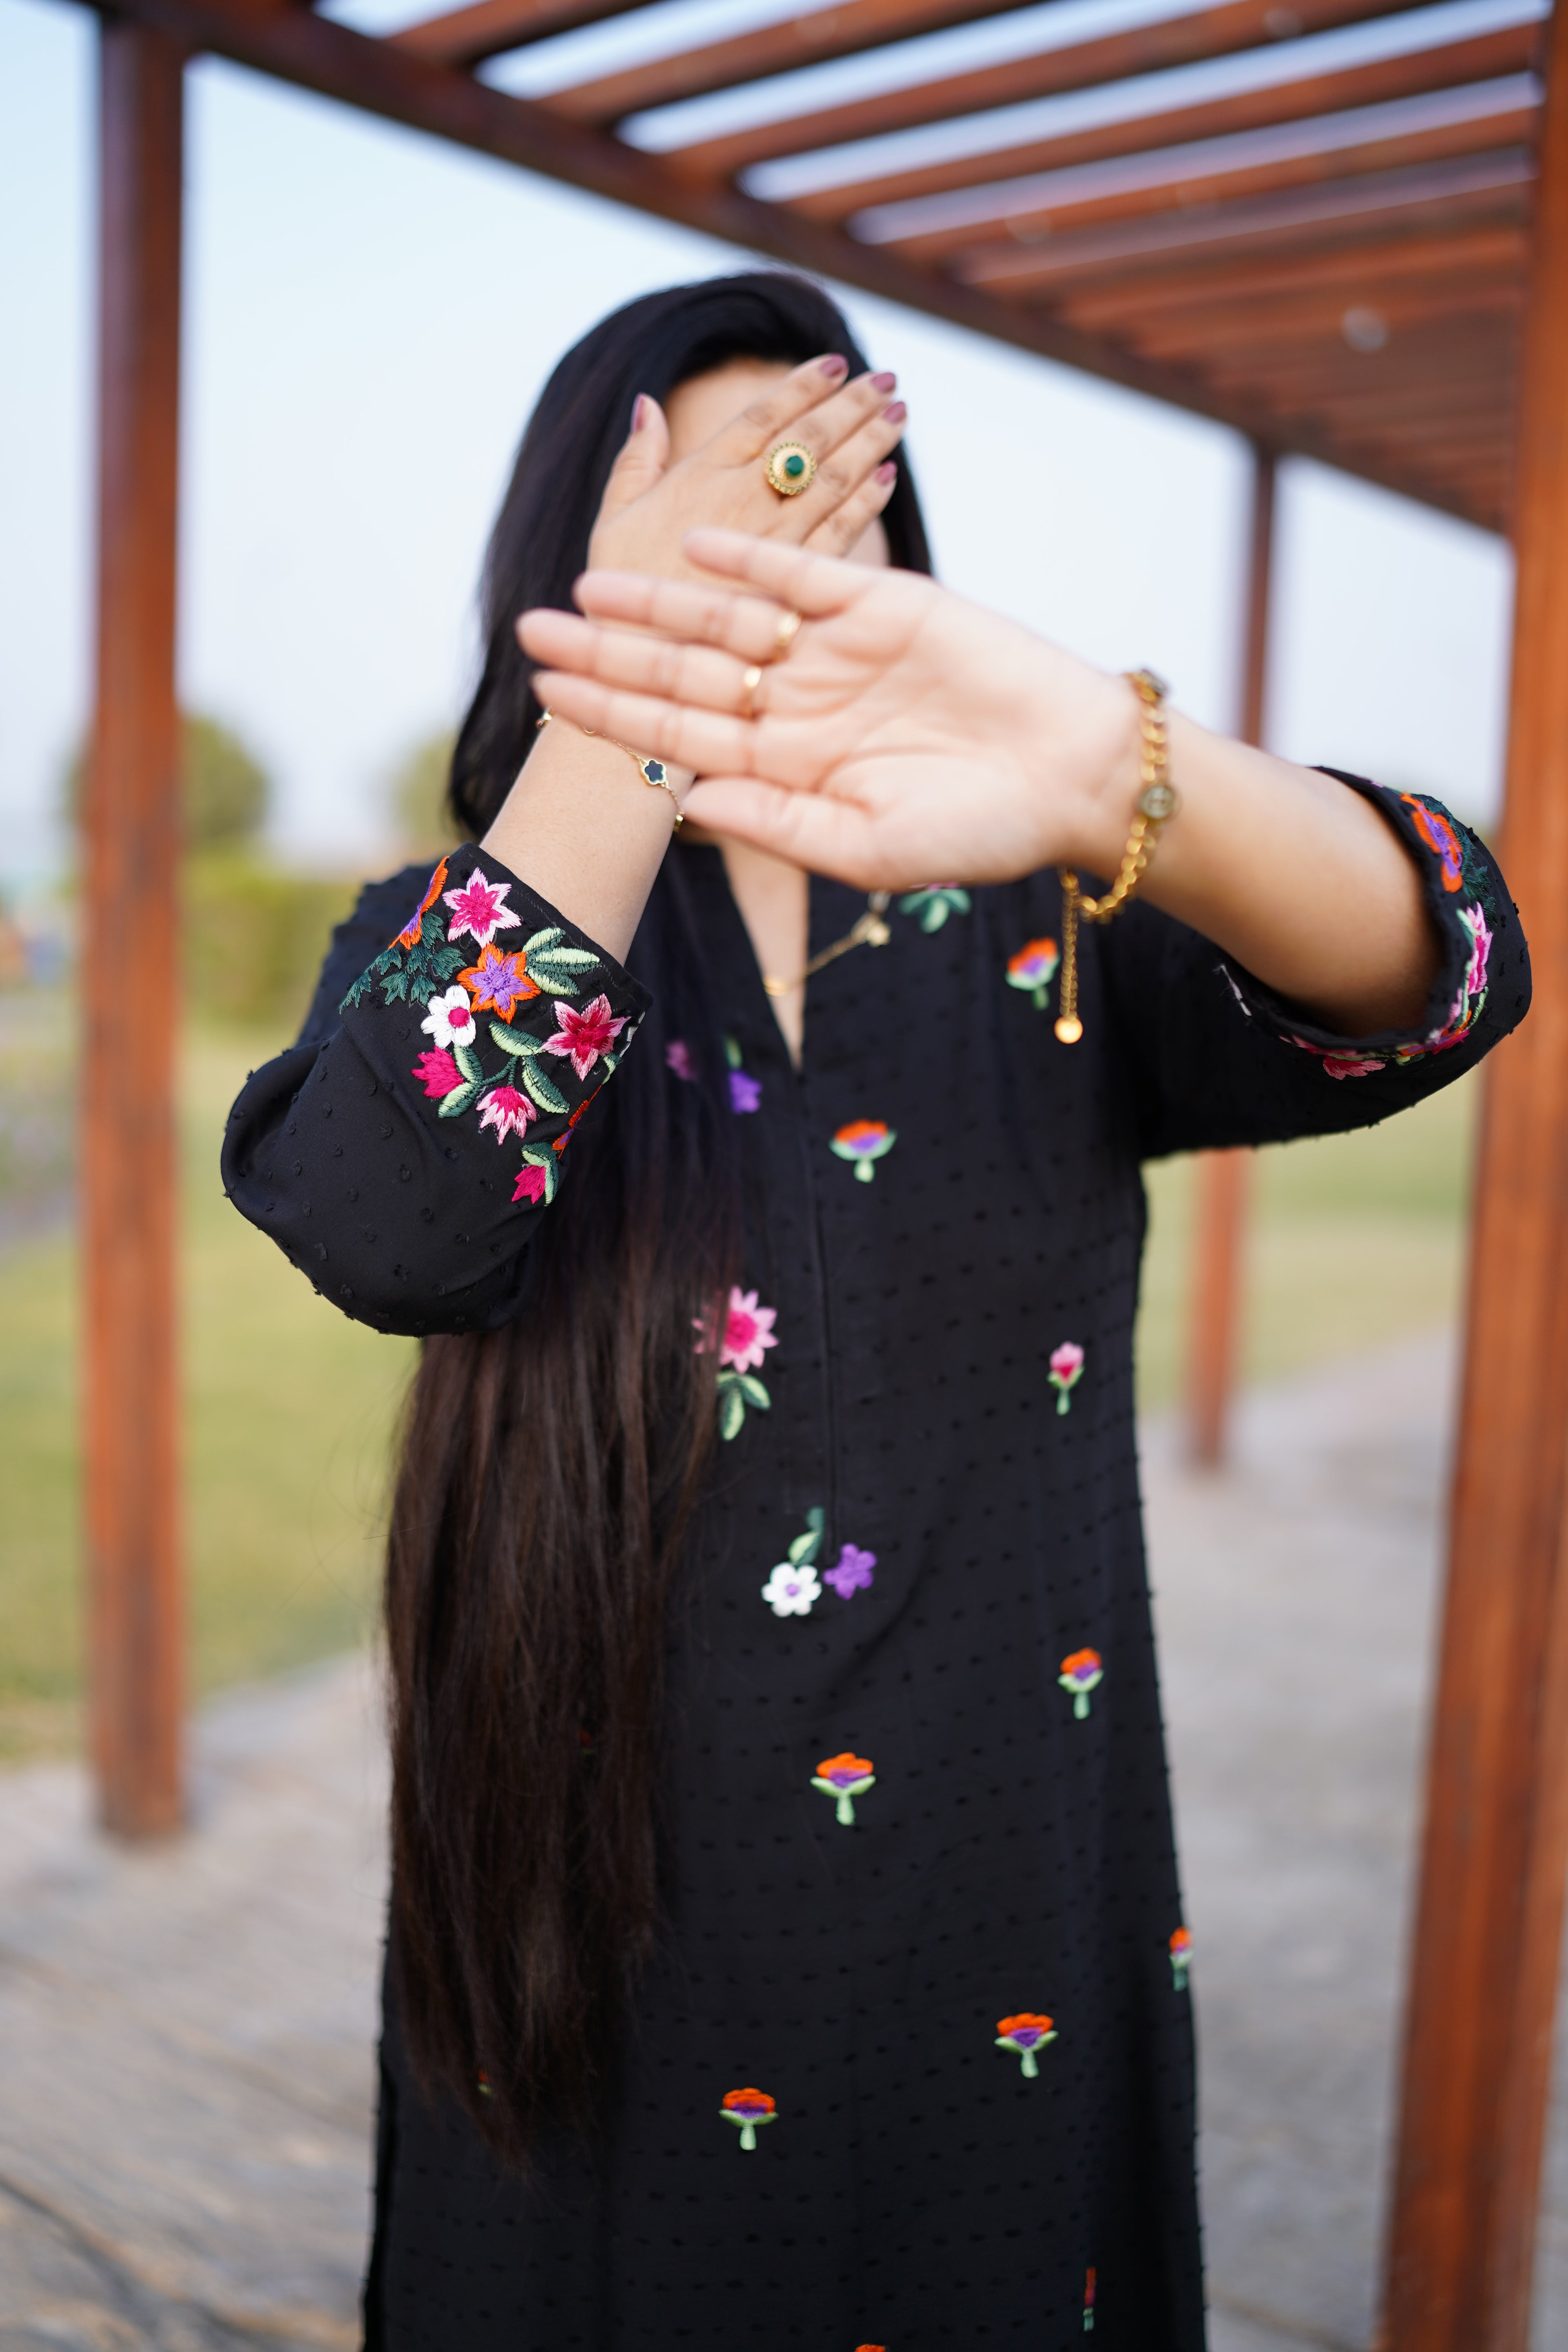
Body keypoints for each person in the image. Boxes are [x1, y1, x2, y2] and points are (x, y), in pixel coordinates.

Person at [223, 271, 1528, 2351]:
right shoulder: (467, 933)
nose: (779, 551)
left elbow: (1444, 973)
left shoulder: (1048, 903)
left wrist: (1118, 768)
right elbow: (384, 1221)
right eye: (727, 505)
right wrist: (623, 726)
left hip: (1000, 1918)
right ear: (579, 550)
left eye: (834, 495)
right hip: (592, 1952)